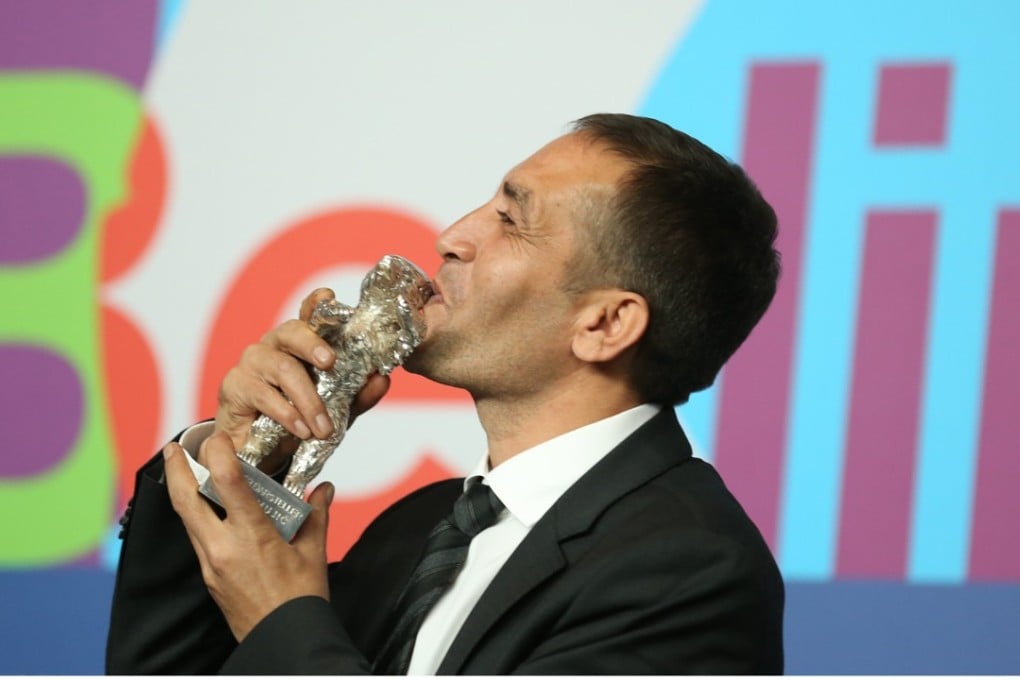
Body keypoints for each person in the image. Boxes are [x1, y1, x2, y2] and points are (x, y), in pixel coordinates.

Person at [106, 113, 784, 674]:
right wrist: (242, 463)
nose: (452, 237)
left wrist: (281, 620)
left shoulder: (691, 573)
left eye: (512, 221)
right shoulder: (421, 529)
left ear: (605, 324)